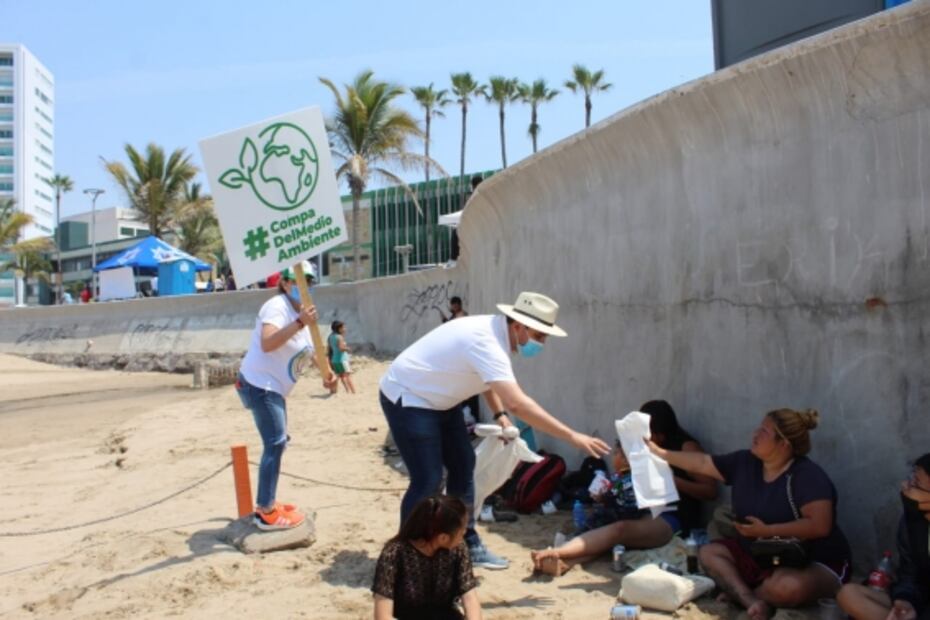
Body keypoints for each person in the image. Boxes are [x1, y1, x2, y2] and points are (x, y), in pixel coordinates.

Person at [379, 291, 610, 570]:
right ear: (519, 326)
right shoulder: (486, 341)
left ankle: (465, 541)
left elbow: (487, 380)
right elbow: (518, 403)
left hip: (441, 400)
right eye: (539, 336)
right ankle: (405, 557)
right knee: (428, 479)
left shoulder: (498, 335)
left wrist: (500, 415)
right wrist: (572, 436)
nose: (541, 343)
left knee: (463, 465)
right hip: (408, 396)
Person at [646, 408, 851, 620]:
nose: (755, 434)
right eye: (759, 428)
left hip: (810, 560)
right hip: (761, 554)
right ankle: (751, 601)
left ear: (783, 444)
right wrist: (661, 454)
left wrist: (767, 531)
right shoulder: (746, 462)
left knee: (786, 587)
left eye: (764, 432)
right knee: (709, 554)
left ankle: (746, 595)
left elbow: (819, 525)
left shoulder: (807, 476)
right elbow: (703, 463)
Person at [530, 400, 716, 576]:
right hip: (647, 509)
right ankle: (564, 562)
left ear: (660, 434)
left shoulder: (686, 448)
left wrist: (671, 480)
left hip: (675, 517)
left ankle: (558, 552)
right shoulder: (649, 446)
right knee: (611, 532)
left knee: (620, 530)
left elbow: (710, 491)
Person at [236, 260, 326, 530]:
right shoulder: (277, 306)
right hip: (260, 385)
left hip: (273, 388)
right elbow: (268, 342)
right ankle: (265, 512)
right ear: (285, 284)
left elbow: (312, 348)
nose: (304, 286)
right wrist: (300, 322)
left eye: (309, 281)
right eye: (298, 281)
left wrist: (328, 373)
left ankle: (269, 502)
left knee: (279, 442)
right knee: (275, 443)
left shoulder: (303, 312)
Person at [837, 453, 930, 620]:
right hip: (921, 604)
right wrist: (906, 601)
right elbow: (909, 574)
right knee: (849, 594)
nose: (906, 486)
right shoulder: (912, 521)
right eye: (911, 478)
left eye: (916, 483)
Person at [373, 495, 481, 620]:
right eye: (462, 530)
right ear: (443, 538)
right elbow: (382, 616)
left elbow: (470, 598)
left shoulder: (458, 548)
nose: (465, 533)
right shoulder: (394, 553)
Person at [328, 320, 356, 394]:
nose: (345, 329)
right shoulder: (339, 337)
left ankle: (347, 391)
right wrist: (348, 349)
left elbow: (330, 348)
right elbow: (341, 348)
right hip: (342, 359)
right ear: (339, 328)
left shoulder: (330, 337)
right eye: (343, 327)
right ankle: (353, 392)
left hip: (334, 359)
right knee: (348, 376)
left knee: (341, 376)